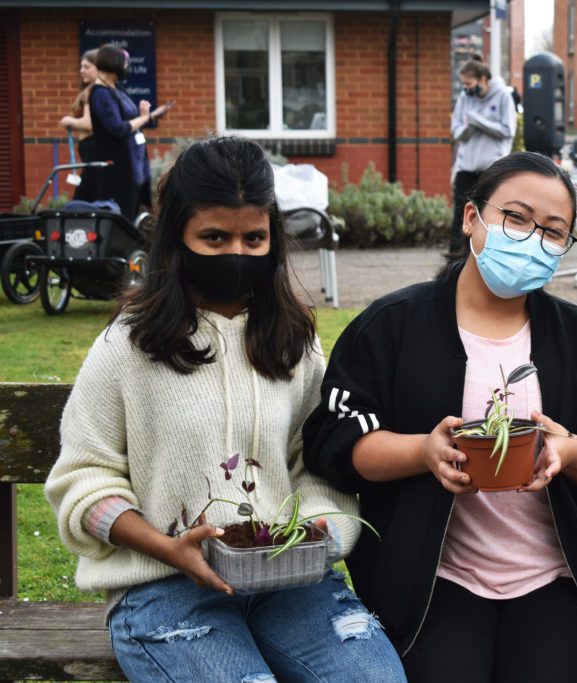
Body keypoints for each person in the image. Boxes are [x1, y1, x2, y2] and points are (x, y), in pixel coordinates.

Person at [45, 137, 406, 683]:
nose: (236, 252)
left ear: (273, 238)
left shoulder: (294, 343)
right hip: (164, 589)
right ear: (177, 239)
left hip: (291, 585)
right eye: (214, 237)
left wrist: (312, 536)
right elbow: (83, 479)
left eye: (253, 237)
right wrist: (168, 548)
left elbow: (318, 462)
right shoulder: (129, 345)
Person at [303, 152, 577, 683]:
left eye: (554, 232)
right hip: (431, 581)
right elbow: (336, 442)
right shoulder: (392, 327)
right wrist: (422, 453)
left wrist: (571, 450)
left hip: (556, 579)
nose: (532, 238)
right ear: (471, 218)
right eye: (516, 217)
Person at [88, 44, 168, 221]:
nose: (126, 68)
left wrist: (149, 115)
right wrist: (144, 117)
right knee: (123, 215)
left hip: (136, 165)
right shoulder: (100, 93)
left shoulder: (116, 89)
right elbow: (118, 128)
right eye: (124, 64)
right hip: (119, 168)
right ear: (114, 64)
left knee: (136, 212)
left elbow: (132, 120)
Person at [449, 56, 517, 253]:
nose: (466, 88)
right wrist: (467, 128)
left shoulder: (502, 96)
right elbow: (456, 131)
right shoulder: (465, 98)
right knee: (460, 219)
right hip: (466, 168)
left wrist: (478, 121)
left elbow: (508, 130)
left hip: (491, 170)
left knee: (489, 217)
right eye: (463, 84)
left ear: (483, 79)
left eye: (469, 84)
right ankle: (454, 266)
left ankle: (487, 259)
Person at [59, 49, 100, 201]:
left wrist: (70, 121)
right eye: (81, 67)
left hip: (92, 148)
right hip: (89, 150)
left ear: (98, 68)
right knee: (87, 195)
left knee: (83, 198)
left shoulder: (93, 92)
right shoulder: (91, 90)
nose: (81, 71)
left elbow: (89, 124)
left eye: (87, 67)